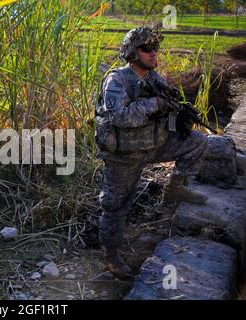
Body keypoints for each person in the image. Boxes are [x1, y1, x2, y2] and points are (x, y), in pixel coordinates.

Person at [94, 26, 208, 280]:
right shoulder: (117, 80)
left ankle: (175, 186)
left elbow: (167, 105)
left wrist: (179, 114)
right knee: (115, 205)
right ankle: (112, 257)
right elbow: (120, 117)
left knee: (197, 142)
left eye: (156, 48)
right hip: (123, 156)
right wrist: (154, 104)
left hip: (152, 146)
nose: (154, 53)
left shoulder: (155, 79)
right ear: (132, 53)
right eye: (147, 49)